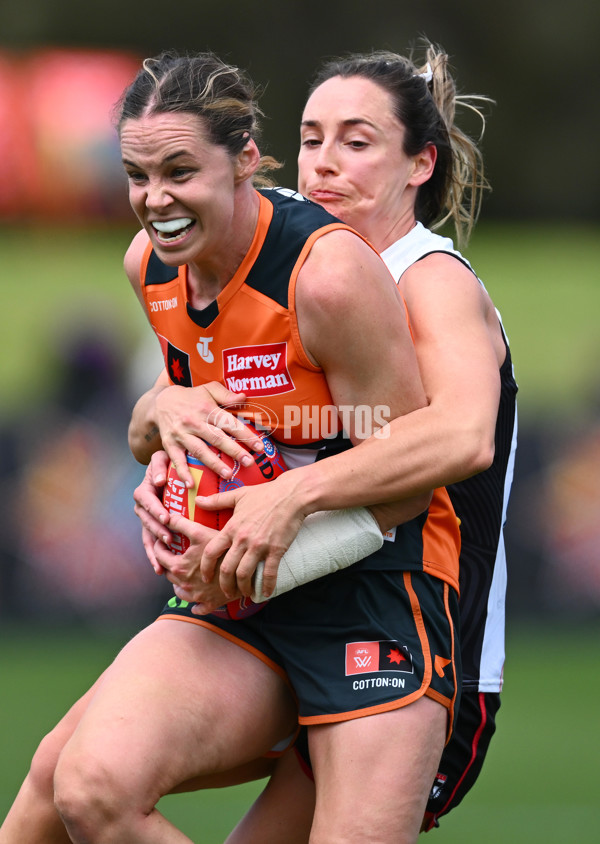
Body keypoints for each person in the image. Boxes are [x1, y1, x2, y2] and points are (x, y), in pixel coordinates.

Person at [0, 50, 461, 844]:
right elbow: (181, 428)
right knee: (82, 786)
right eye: (137, 175)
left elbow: (408, 475)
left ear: (246, 159)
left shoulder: (325, 276)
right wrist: (164, 431)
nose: (156, 200)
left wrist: (280, 513)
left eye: (180, 170)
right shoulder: (150, 266)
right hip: (245, 593)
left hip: (378, 592)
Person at [130, 43, 517, 839]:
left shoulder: (426, 277)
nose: (323, 165)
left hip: (426, 644)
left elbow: (461, 435)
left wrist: (289, 496)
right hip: (297, 614)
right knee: (77, 786)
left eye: (357, 141)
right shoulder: (298, 269)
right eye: (310, 139)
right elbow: (250, 416)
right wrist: (168, 437)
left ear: (419, 165)